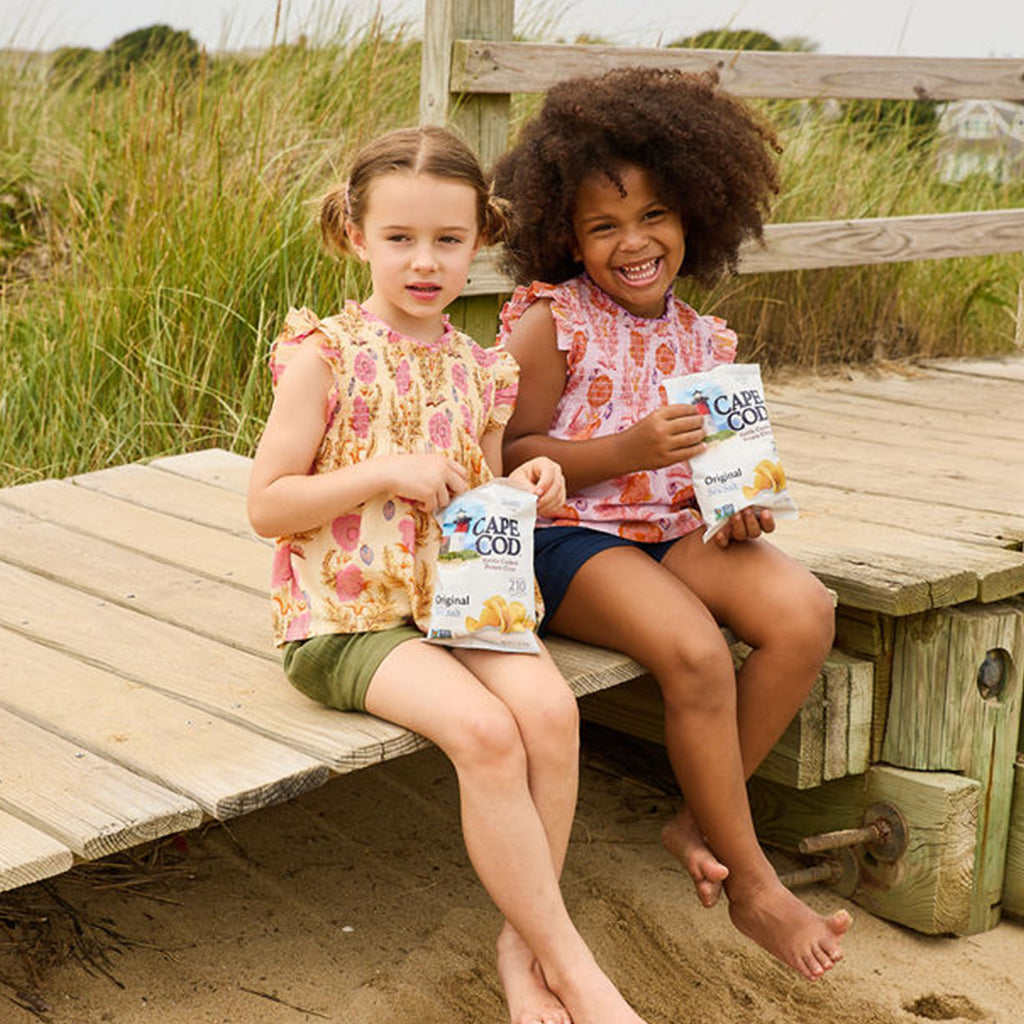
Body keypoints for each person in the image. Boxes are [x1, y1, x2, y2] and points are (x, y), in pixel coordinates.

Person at [247, 125, 649, 1024]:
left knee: (550, 711)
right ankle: (572, 967)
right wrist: (384, 472)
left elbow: (483, 483)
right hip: (348, 622)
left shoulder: (482, 370)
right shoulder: (325, 355)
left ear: (482, 239)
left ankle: (522, 944)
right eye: (399, 238)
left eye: (448, 240)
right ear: (356, 235)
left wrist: (529, 484)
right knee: (486, 734)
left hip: (458, 601)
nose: (424, 262)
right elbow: (268, 503)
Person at [492, 68, 851, 982]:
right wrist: (628, 447)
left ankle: (701, 817)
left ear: (695, 212)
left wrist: (738, 507)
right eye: (602, 225)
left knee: (805, 610)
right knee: (693, 650)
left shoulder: (709, 341)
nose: (634, 241)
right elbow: (508, 455)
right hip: (566, 532)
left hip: (671, 530)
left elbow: (713, 477)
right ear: (565, 235)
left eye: (654, 215)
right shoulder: (550, 324)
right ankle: (754, 884)